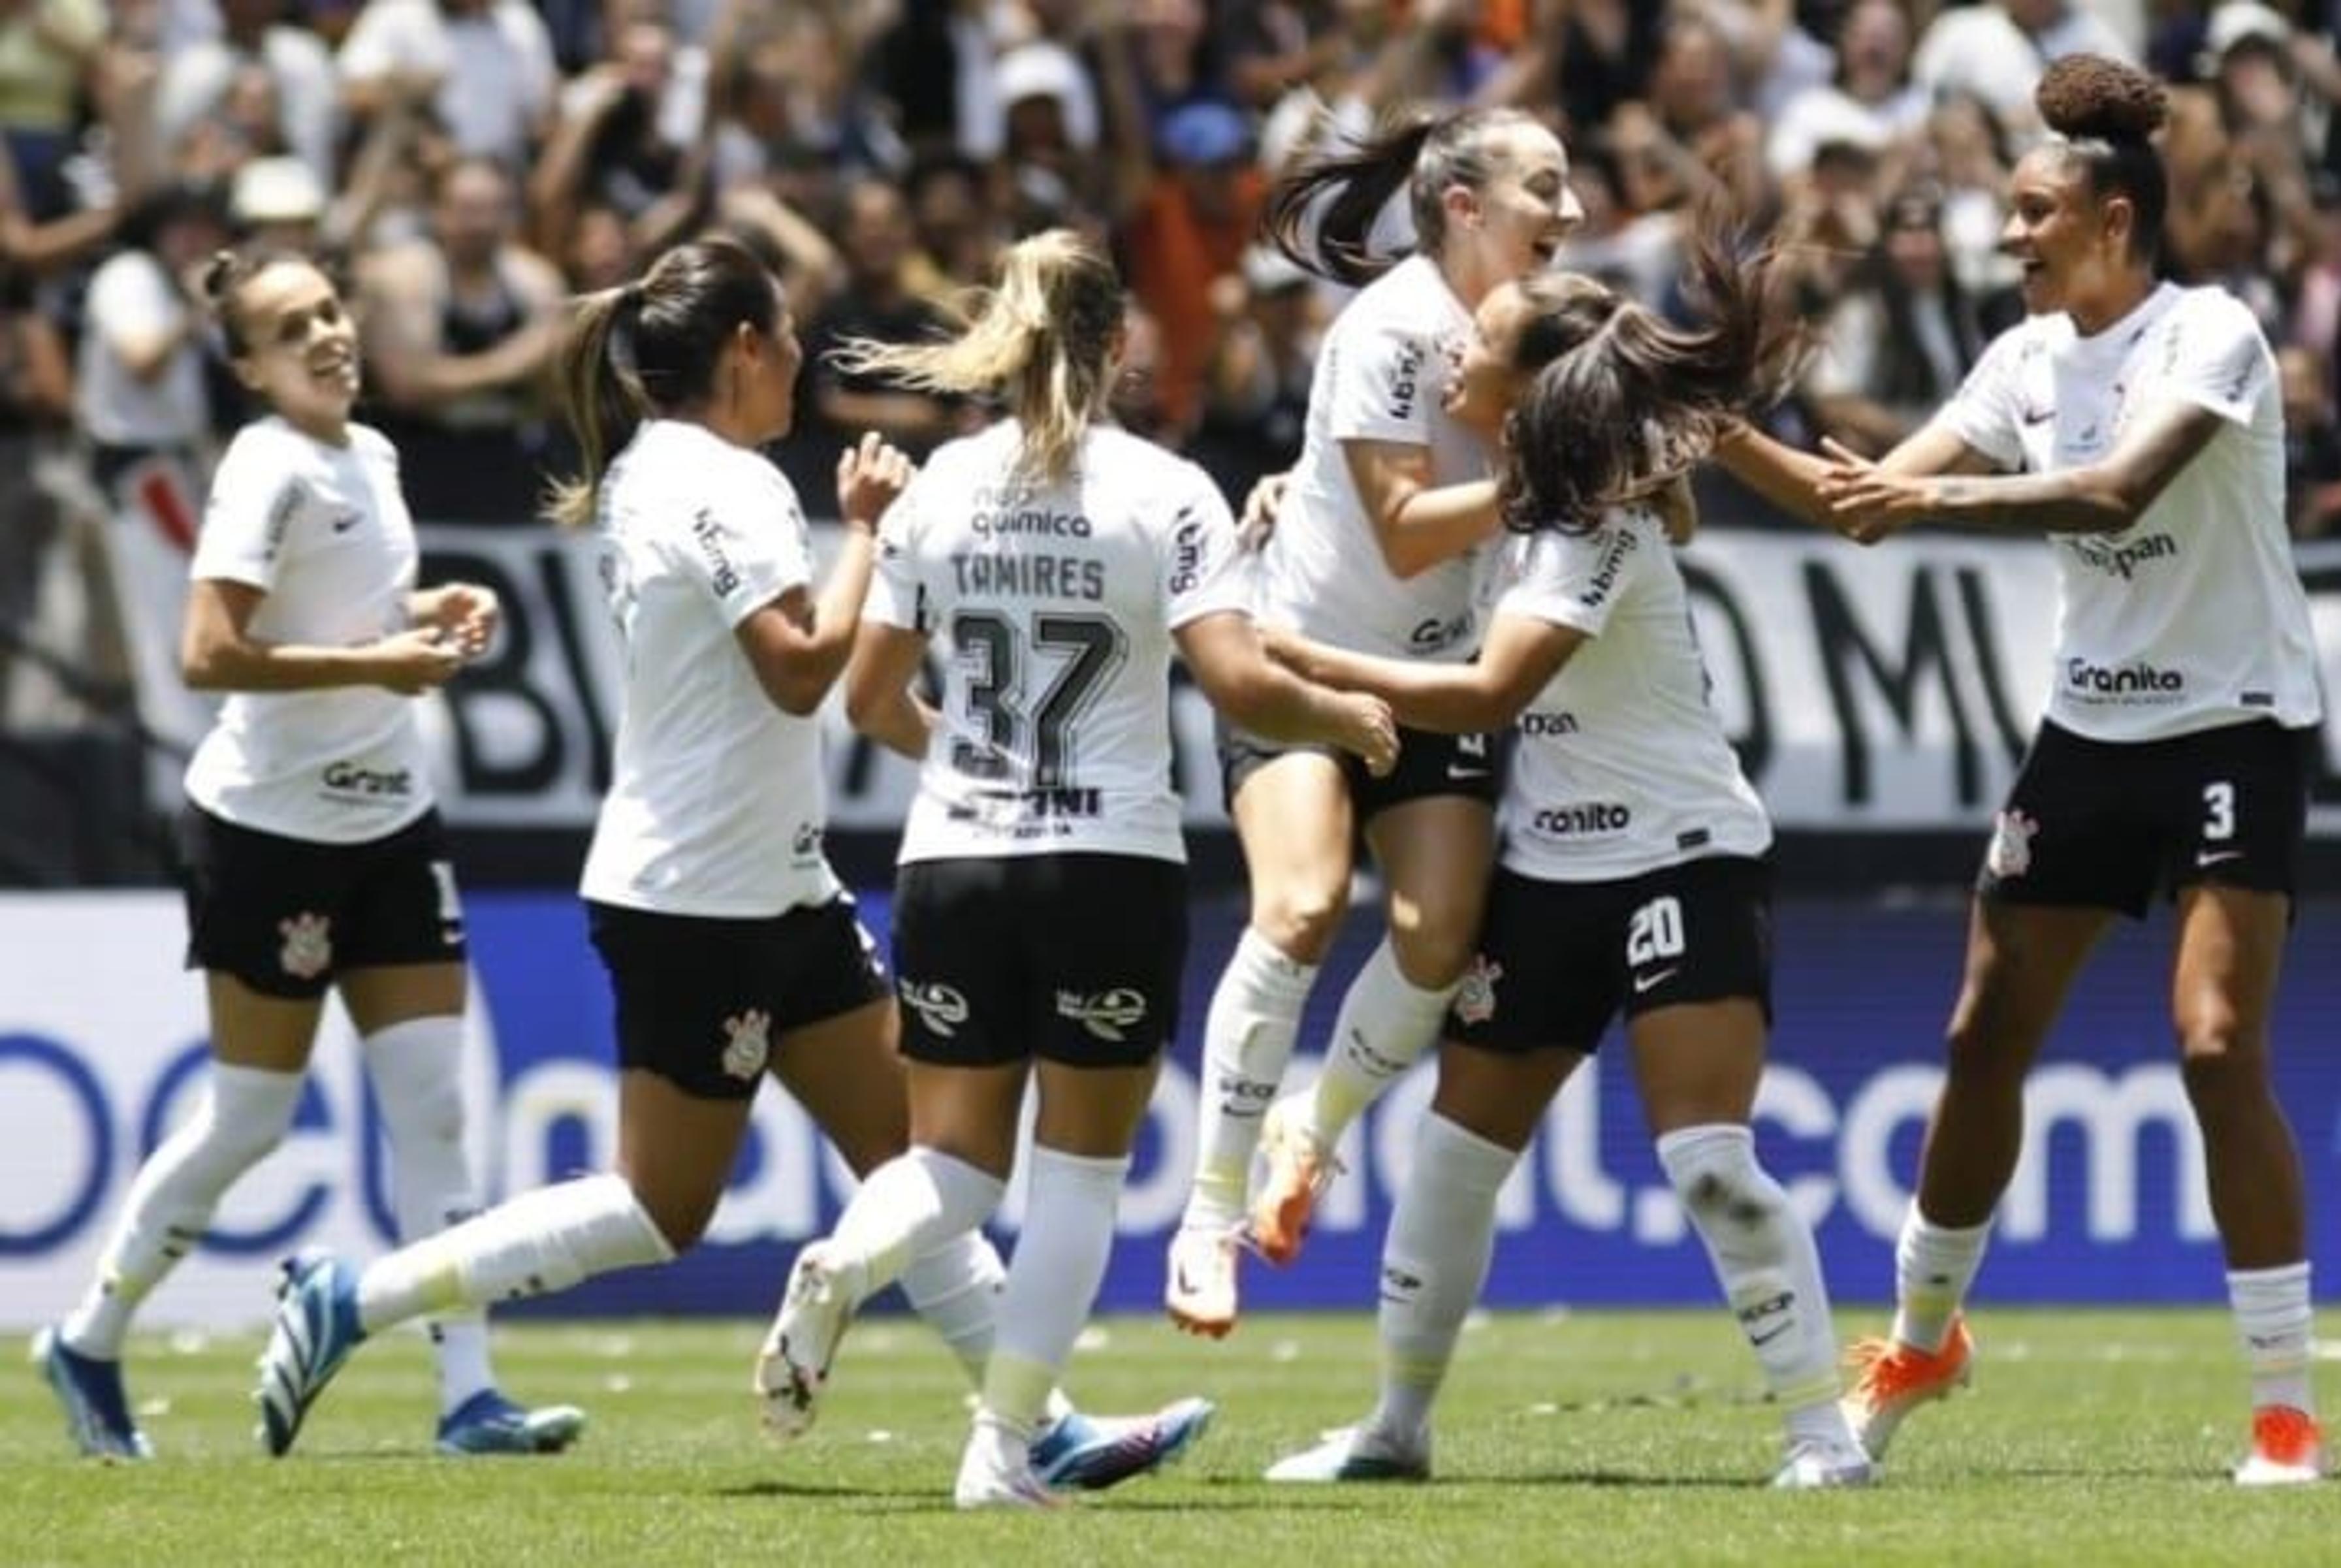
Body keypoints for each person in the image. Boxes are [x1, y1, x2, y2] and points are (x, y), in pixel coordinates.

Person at [250, 238, 1217, 1492]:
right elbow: (803, 666)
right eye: (792, 337)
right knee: (661, 1209)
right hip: (695, 895)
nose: (805, 360)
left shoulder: (687, 471)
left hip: (778, 880)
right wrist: (866, 530)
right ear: (745, 349)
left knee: (918, 1164)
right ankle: (355, 1295)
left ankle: (1032, 1423)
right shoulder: (718, 482)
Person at [1720, 55, 2329, 1486]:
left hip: (2235, 726)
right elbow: (1863, 507)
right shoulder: (2021, 360)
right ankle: (1923, 1336)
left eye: (2033, 211)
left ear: (2114, 221)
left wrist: (1928, 489)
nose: (2008, 236)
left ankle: (2287, 1407)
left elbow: (2116, 490)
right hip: (2089, 737)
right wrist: (1703, 421)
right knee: (1984, 1032)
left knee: (2216, 1045)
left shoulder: (2215, 334)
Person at [746, 229, 1397, 1509]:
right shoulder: (1166, 490)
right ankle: (999, 1455)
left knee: (953, 1168)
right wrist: (1347, 723)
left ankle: (842, 1262)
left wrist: (971, 763)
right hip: (1106, 862)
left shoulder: (938, 488)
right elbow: (1237, 680)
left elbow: (873, 701)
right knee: (1080, 1181)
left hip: (956, 861)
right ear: (1116, 347)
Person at [1255, 255, 1872, 1490]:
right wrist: (1296, 494)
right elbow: (1391, 529)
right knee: (1448, 1159)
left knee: (1707, 1161)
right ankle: (1395, 1428)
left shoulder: (1597, 520)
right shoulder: (1511, 501)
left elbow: (1491, 692)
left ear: (1540, 382)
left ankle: (1822, 1434)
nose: (1452, 357)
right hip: (1548, 877)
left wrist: (1296, 655)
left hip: (1681, 862)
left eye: (1478, 341)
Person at [35, 244, 581, 1460]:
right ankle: (91, 1333)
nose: (328, 336)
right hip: (270, 828)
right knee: (249, 1119)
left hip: (391, 816)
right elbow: (207, 651)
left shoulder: (369, 453)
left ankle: (468, 1397)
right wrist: (381, 663)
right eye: (293, 330)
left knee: (437, 1105)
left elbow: (344, 610)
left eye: (332, 311)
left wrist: (427, 612)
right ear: (248, 368)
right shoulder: (263, 466)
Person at [1166, 104, 1584, 1340]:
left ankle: (1314, 1128)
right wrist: (1541, 478)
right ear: (1465, 206)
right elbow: (1402, 527)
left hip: (1430, 674)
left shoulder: (1545, 332)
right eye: (1545, 188)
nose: (1570, 213)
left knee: (1439, 935)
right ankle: (1205, 1215)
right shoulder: (1393, 328)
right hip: (1300, 659)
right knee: (1297, 907)